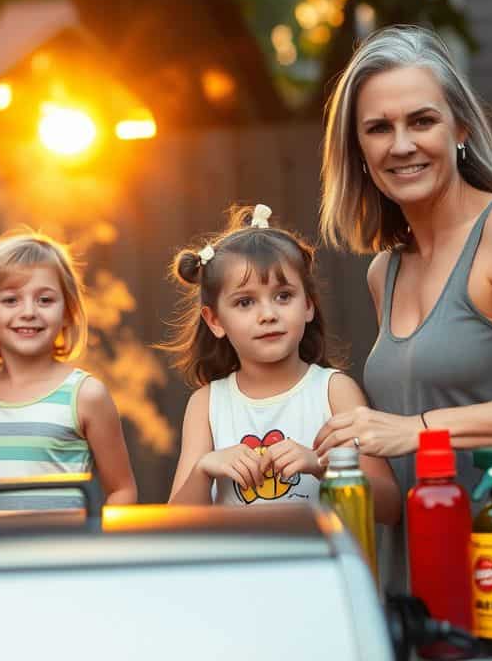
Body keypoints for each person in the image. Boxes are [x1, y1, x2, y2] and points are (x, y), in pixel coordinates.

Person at [313, 25, 492, 602]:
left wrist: (416, 432)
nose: (401, 144)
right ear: (358, 150)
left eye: (421, 121)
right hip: (418, 577)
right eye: (379, 128)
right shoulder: (386, 271)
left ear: (461, 128)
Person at [164, 204, 399, 520]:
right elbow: (176, 525)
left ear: (308, 306)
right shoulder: (206, 405)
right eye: (245, 302)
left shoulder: (334, 391)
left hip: (325, 568)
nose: (268, 314)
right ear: (215, 320)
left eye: (283, 296)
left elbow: (389, 505)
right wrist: (204, 468)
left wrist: (322, 467)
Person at [0, 233, 138, 510]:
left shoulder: (86, 395)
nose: (28, 312)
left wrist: (95, 546)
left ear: (68, 312)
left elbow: (122, 489)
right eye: (11, 300)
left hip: (62, 550)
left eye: (45, 300)